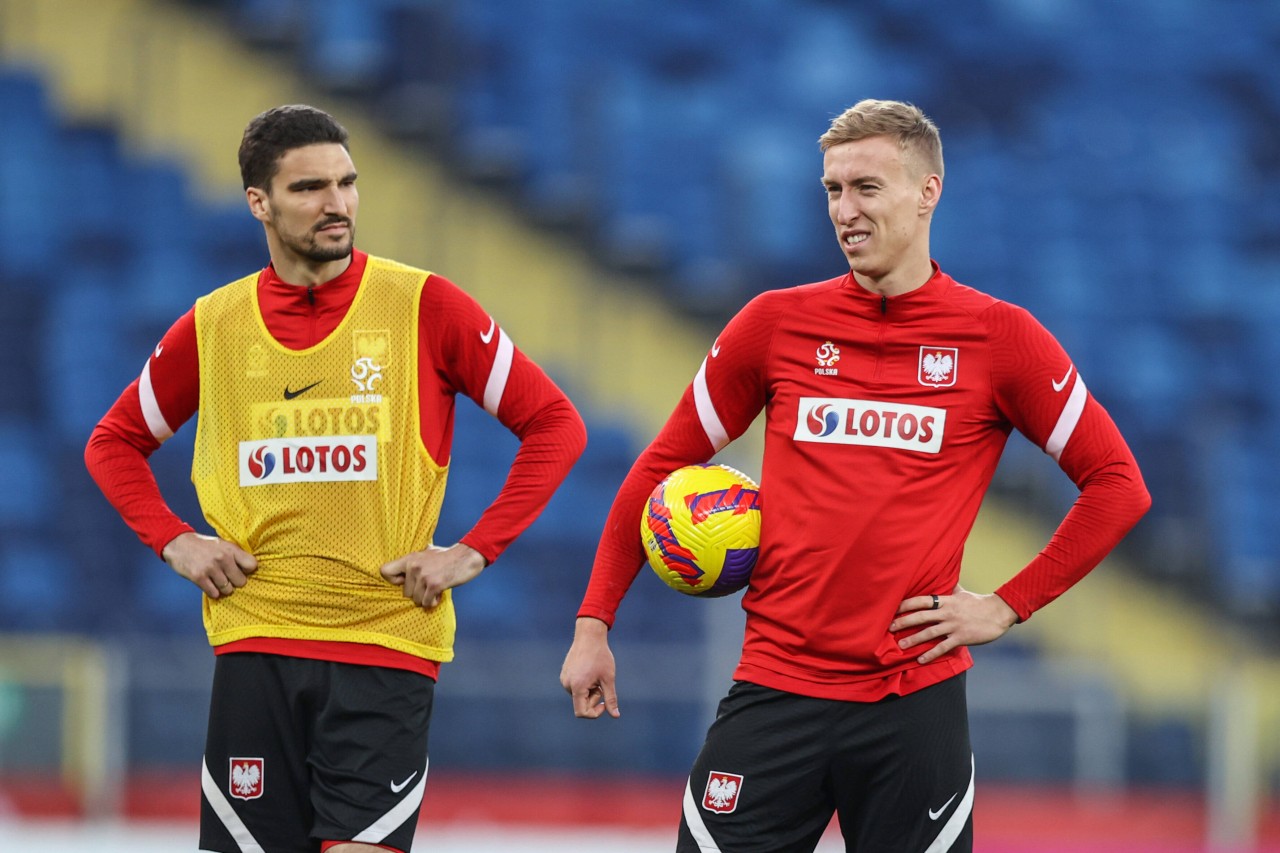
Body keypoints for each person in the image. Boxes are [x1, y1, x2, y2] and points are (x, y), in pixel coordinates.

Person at [560, 99, 1151, 852]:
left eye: (867, 187)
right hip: (775, 688)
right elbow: (661, 467)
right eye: (833, 190)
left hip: (914, 707)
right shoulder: (774, 324)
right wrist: (593, 623)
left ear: (928, 191)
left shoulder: (1001, 339)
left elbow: (1117, 483)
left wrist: (1007, 605)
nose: (845, 210)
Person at [86, 104, 586, 853]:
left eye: (347, 183)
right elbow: (114, 441)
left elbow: (555, 424)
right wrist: (175, 541)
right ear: (259, 201)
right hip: (256, 645)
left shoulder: (425, 305)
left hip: (384, 646)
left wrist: (473, 550)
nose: (338, 204)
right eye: (310, 187)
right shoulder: (214, 325)